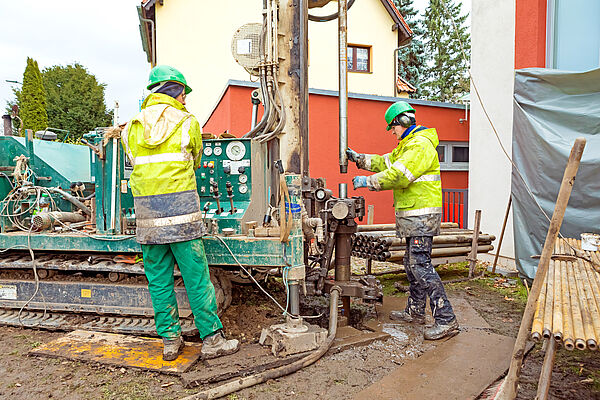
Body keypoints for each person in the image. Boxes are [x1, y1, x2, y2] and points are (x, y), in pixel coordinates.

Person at [122, 65, 240, 360]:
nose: (185, 99)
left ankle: (170, 341)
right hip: (183, 218)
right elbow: (196, 161)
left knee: (159, 281)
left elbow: (133, 163)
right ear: (174, 90)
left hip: (148, 219)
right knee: (196, 279)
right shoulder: (188, 122)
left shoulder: (131, 127)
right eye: (183, 93)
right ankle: (212, 339)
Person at [347, 101, 459, 340]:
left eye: (393, 127)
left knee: (421, 266)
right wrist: (359, 158)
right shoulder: (406, 145)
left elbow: (399, 175)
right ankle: (416, 311)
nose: (392, 131)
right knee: (411, 263)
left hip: (421, 217)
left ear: (404, 122)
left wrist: (369, 182)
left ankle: (446, 319)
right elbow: (385, 163)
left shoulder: (419, 145)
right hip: (413, 217)